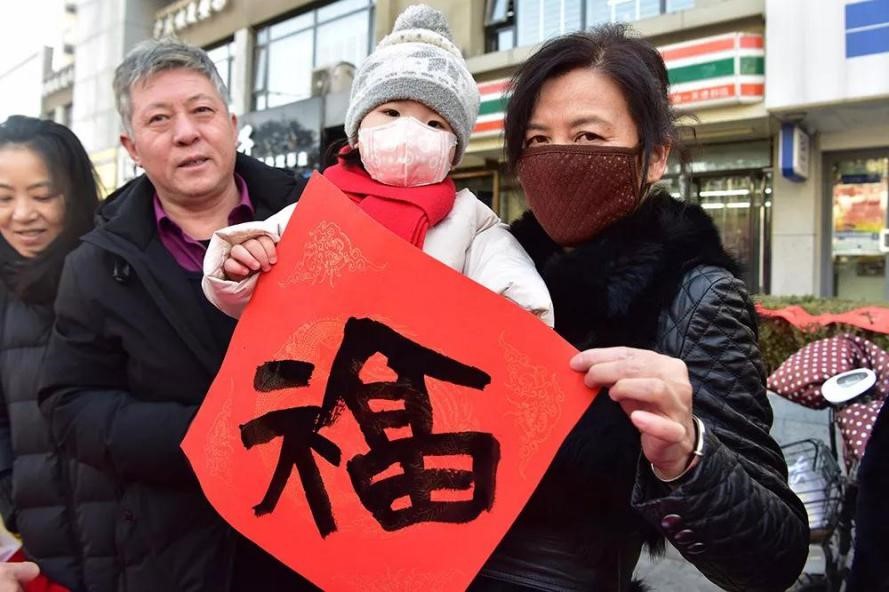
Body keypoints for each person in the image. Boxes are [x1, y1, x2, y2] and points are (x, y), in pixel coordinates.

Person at [469, 25, 809, 592]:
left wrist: (688, 455)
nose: (558, 159)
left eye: (587, 138)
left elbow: (773, 558)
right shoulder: (483, 267)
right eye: (536, 141)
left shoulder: (695, 298)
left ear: (653, 157)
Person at [37, 40, 312, 592]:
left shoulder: (312, 218)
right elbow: (69, 406)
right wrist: (202, 436)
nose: (186, 133)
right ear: (131, 145)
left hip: (315, 519)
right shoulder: (97, 264)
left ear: (232, 124)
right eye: (159, 119)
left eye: (202, 111)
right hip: (175, 547)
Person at [201, 5, 553, 327]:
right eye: (391, 112)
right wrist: (239, 264)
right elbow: (245, 287)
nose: (410, 131)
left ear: (453, 148)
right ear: (357, 129)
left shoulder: (472, 223)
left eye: (435, 124)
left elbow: (511, 279)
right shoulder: (319, 206)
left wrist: (518, 316)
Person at [0, 115, 100, 592]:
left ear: (74, 193)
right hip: (45, 553)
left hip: (131, 547)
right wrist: (14, 497)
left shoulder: (113, 272)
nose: (22, 214)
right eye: (3, 198)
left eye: (42, 195)